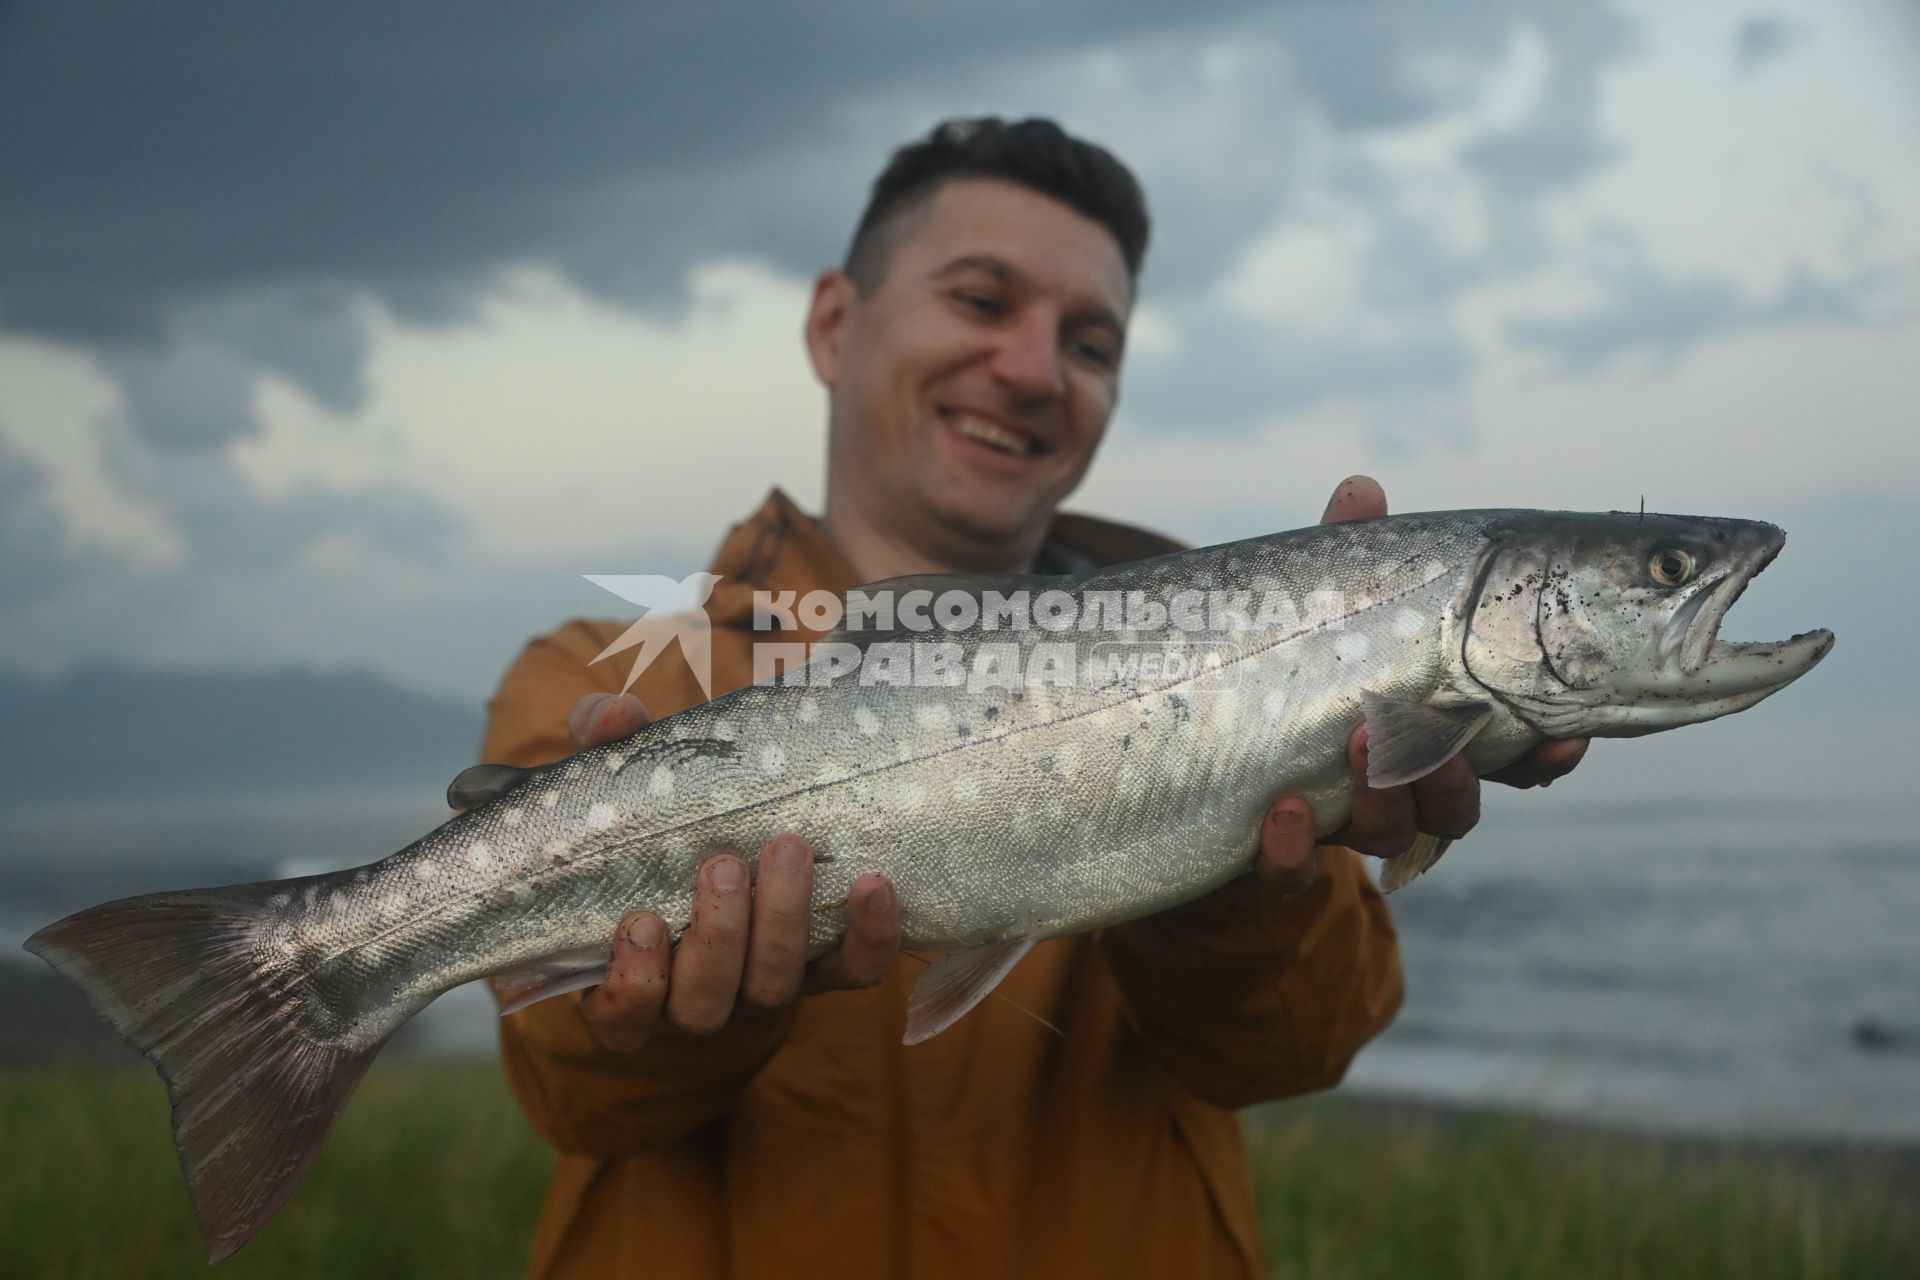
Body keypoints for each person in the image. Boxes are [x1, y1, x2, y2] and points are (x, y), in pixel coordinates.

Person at [482, 118, 1586, 1279]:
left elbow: (1294, 1050)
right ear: (832, 324)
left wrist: (1232, 832)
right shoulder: (607, 677)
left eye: (1091, 342)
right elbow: (569, 1087)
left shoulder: (1255, 658)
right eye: (980, 300)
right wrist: (703, 990)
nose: (1033, 368)